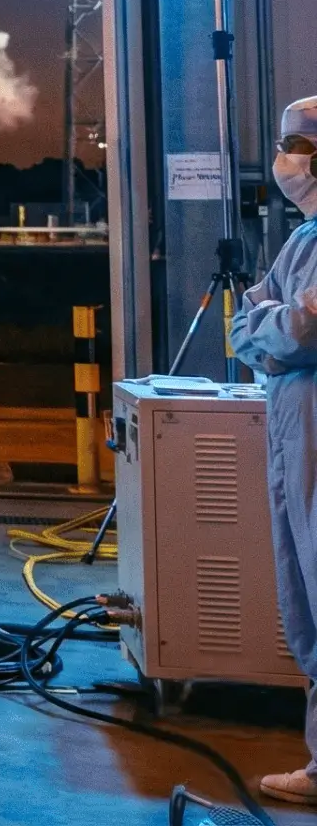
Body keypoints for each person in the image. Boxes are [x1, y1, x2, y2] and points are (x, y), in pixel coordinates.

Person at [238, 95, 317, 805]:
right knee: (305, 597)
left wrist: (271, 328)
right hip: (296, 431)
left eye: (296, 144)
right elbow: (251, 327)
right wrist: (274, 327)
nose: (286, 159)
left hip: (311, 428)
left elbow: (295, 335)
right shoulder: (301, 241)